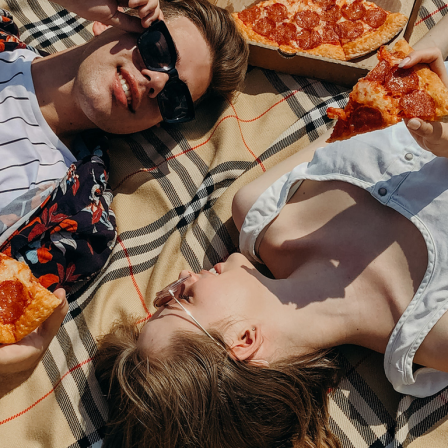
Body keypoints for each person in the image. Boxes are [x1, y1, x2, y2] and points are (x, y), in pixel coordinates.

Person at [95, 16, 448, 448]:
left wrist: (427, 51)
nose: (181, 279)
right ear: (245, 340)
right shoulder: (434, 334)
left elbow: (391, 84)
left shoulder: (260, 209)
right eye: (180, 300)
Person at [0, 0, 248, 396]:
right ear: (109, 24)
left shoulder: (77, 219)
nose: (158, 83)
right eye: (159, 50)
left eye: (175, 100)